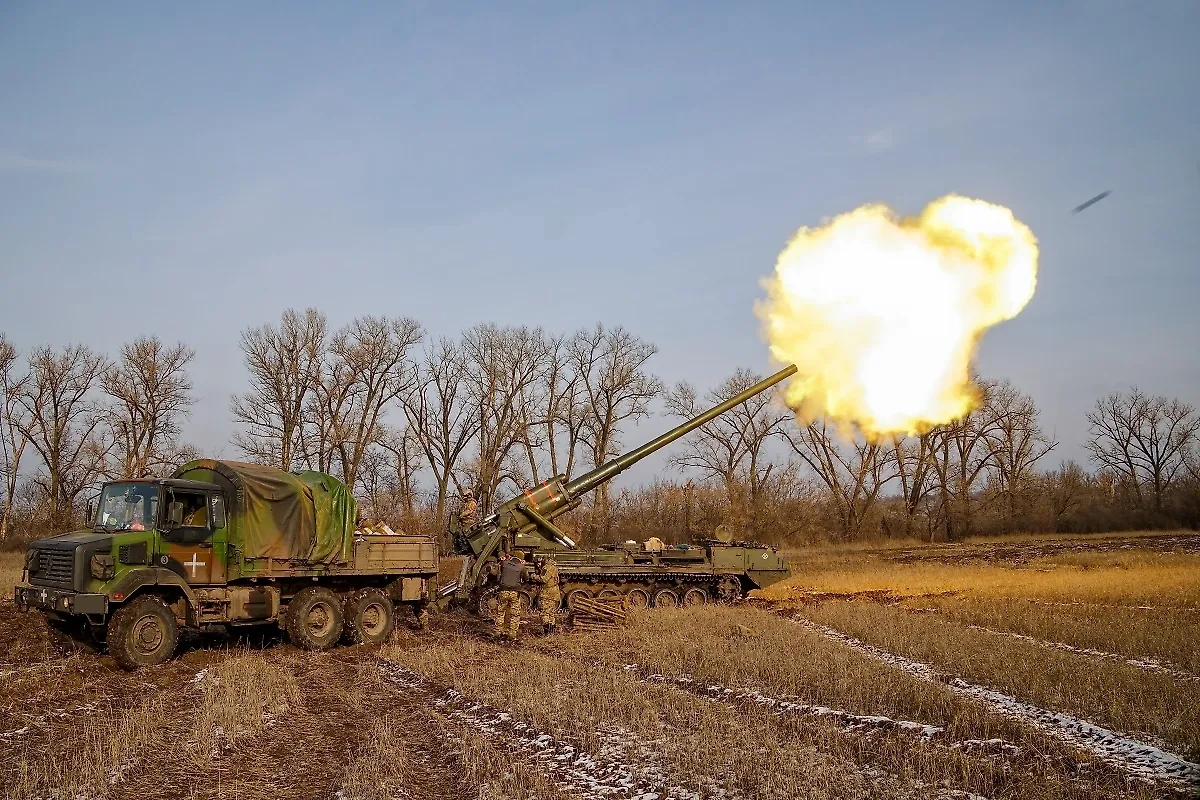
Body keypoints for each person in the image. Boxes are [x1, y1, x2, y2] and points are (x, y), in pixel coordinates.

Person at [494, 550, 530, 642]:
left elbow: (498, 574)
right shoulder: (522, 567)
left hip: (503, 591)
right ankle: (512, 634)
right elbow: (527, 578)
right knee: (515, 614)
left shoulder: (504, 564)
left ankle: (498, 633)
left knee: (500, 612)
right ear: (521, 558)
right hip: (514, 592)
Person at [532, 555, 561, 634]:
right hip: (554, 593)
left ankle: (546, 632)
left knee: (544, 612)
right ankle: (551, 631)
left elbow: (544, 579)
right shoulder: (553, 567)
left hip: (547, 593)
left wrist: (534, 576)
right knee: (551, 613)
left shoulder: (546, 568)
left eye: (539, 563)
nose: (538, 565)